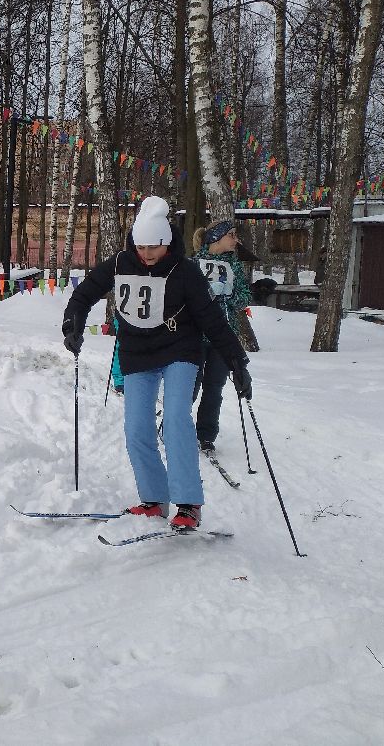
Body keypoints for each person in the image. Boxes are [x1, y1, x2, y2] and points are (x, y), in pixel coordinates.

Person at [61, 196, 251, 530]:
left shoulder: (185, 271)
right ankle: (153, 500)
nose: (147, 254)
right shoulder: (120, 263)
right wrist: (73, 321)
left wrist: (237, 362)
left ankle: (189, 504)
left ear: (166, 242)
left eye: (154, 247)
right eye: (141, 246)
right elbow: (85, 292)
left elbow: (212, 320)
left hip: (180, 348)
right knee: (136, 428)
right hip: (137, 353)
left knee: (177, 417)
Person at [191, 219, 252, 452]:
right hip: (195, 336)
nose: (236, 240)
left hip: (224, 337)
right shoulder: (193, 263)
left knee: (214, 387)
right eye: (232, 235)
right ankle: (175, 426)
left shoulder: (234, 266)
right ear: (216, 237)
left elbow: (244, 296)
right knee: (190, 386)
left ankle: (206, 435)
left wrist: (225, 297)